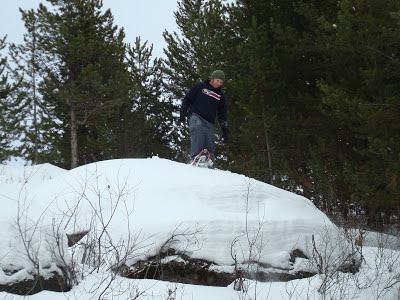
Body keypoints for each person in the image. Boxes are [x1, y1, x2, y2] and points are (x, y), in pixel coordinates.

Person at [179, 70, 228, 167]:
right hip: (195, 116)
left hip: (209, 122)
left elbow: (222, 114)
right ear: (212, 79)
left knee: (209, 142)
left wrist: (225, 130)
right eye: (217, 81)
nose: (219, 84)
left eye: (221, 82)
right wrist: (183, 113)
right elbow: (187, 99)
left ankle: (209, 163)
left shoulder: (220, 96)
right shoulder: (200, 86)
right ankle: (196, 157)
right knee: (198, 128)